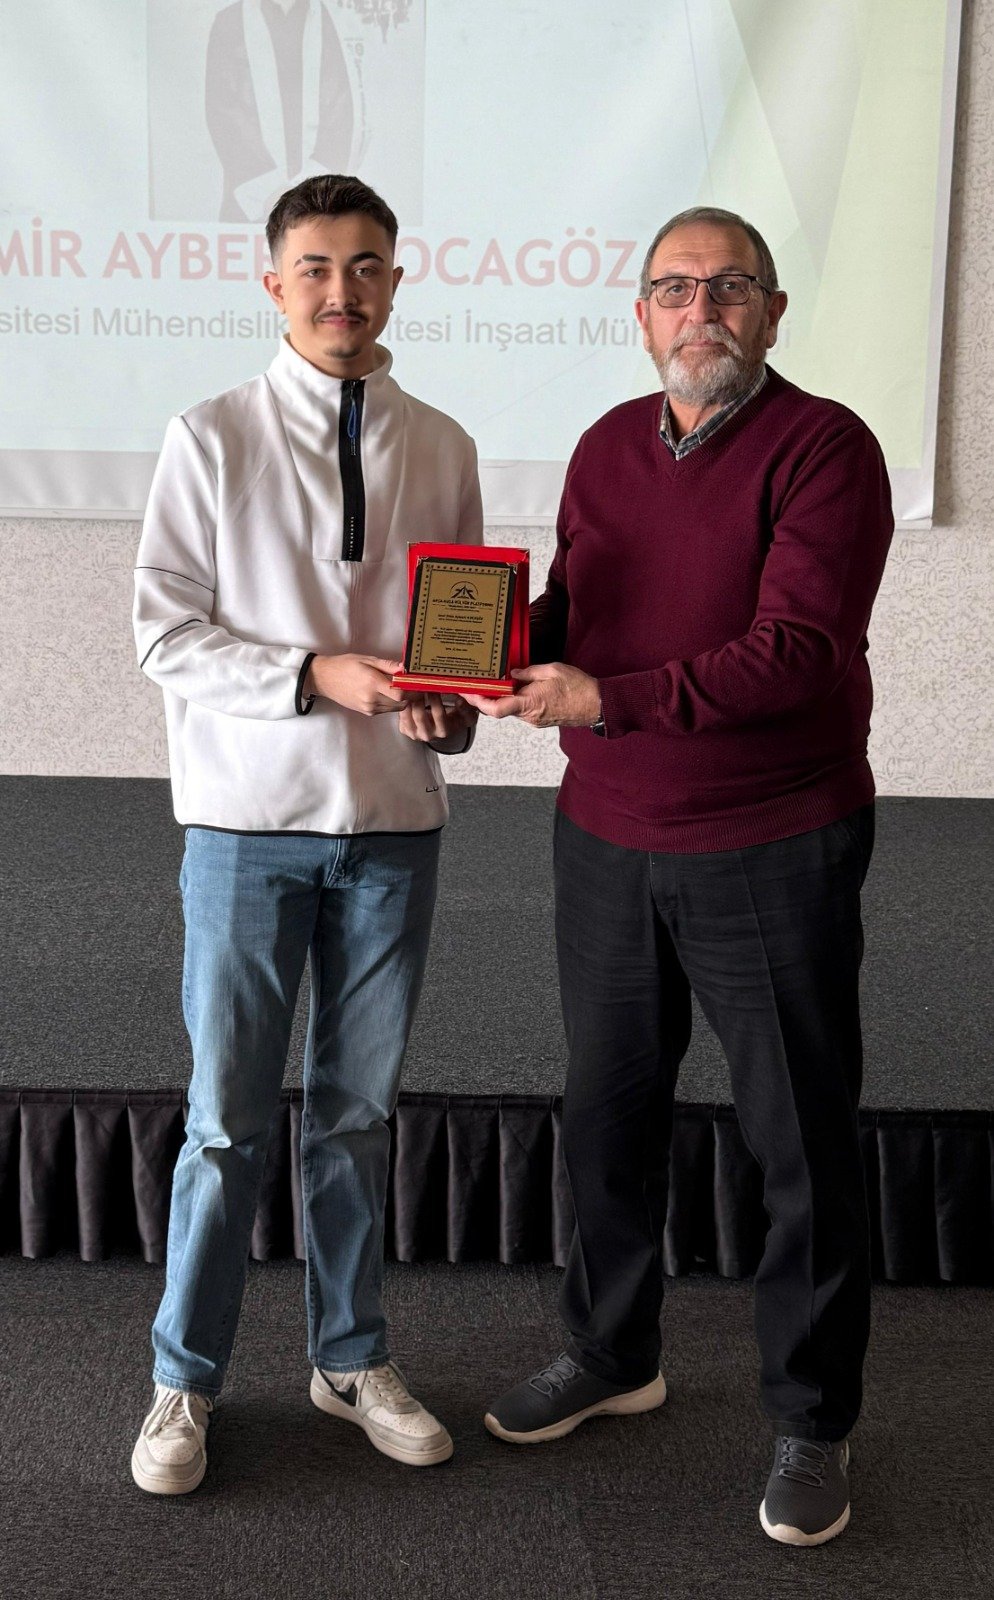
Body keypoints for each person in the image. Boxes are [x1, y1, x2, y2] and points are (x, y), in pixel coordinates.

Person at [467, 206, 893, 1547]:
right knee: (606, 1114)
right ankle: (611, 1354)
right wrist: (477, 656)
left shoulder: (825, 447)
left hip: (770, 840)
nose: (698, 310)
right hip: (606, 835)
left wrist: (606, 698)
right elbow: (576, 613)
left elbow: (798, 650)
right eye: (673, 289)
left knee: (796, 1142)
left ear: (772, 313)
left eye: (727, 288)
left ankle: (813, 1417)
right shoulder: (605, 444)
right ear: (641, 315)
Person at [130, 173, 481, 1495]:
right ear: (274, 283)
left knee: (356, 1116)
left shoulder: (444, 444)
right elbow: (164, 633)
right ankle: (184, 1379)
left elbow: (456, 647)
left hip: (395, 823)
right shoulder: (208, 434)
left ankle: (349, 1357)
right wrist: (313, 674)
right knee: (226, 1123)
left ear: (396, 280)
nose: (345, 291)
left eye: (368, 266)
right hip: (244, 825)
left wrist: (453, 711)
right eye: (318, 268)